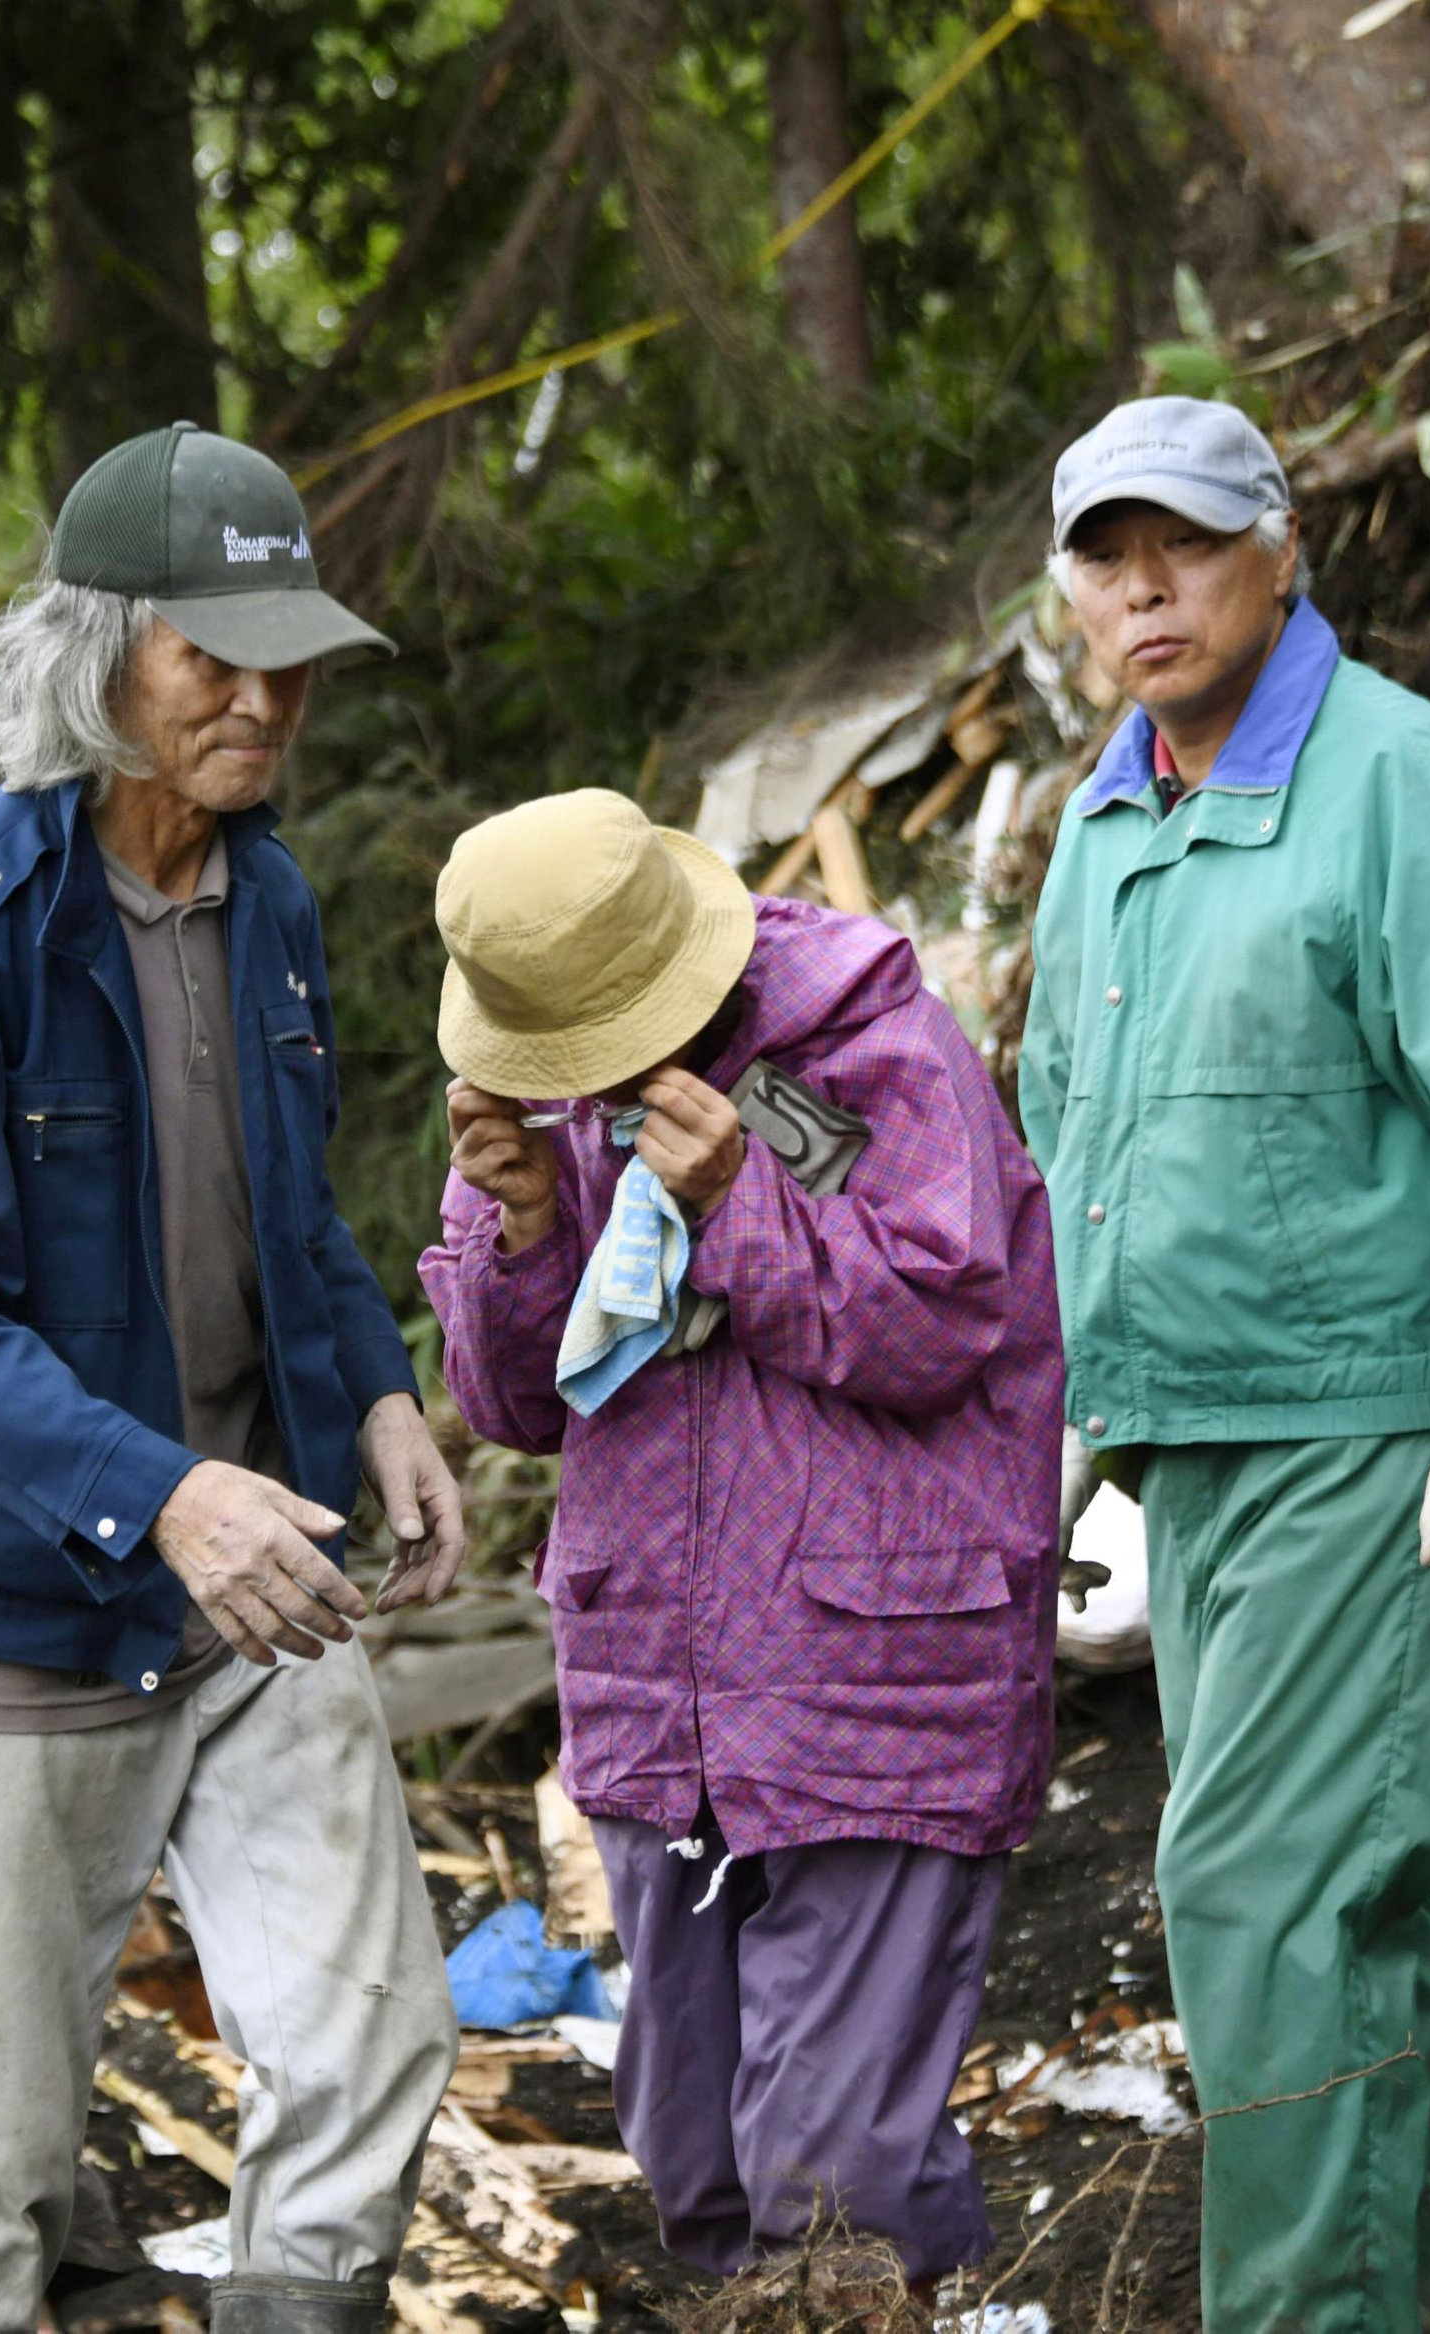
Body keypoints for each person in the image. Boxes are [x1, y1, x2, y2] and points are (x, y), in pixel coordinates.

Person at [0, 421, 465, 2334]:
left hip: (257, 1582)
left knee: (369, 2041)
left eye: (289, 659)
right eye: (211, 659)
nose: (263, 701)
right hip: (17, 1626)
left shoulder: (273, 902)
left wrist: (377, 1399)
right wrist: (159, 1493)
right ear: (101, 662)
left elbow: (295, 1212)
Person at [1017, 396, 1430, 2333]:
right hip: (1188, 1462)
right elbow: (1059, 1130)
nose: (1143, 587)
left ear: (1279, 549)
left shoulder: (1398, 784)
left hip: (1358, 1452)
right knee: (1374, 1926)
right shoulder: (1104, 826)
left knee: (1265, 1922)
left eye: (1181, 543)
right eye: (1106, 557)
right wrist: (1057, 1424)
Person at [416, 789, 1061, 2287]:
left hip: (873, 1676)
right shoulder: (537, 1088)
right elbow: (515, 1404)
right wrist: (521, 1235)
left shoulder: (870, 1034)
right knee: (694, 2163)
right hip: (661, 1692)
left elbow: (944, 1323)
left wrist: (735, 1198)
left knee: (836, 2178)